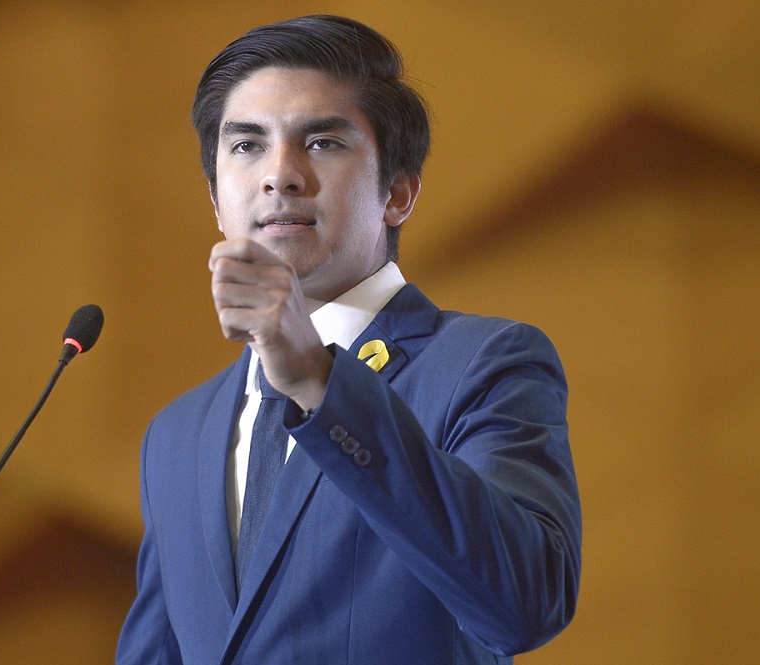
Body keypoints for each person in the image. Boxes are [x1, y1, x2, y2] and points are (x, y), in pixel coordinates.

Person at [116, 15, 581, 665]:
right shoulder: (176, 433)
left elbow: (526, 603)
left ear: (397, 192)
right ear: (217, 202)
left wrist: (317, 375)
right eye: (247, 146)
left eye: (323, 142)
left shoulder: (487, 363)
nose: (280, 174)